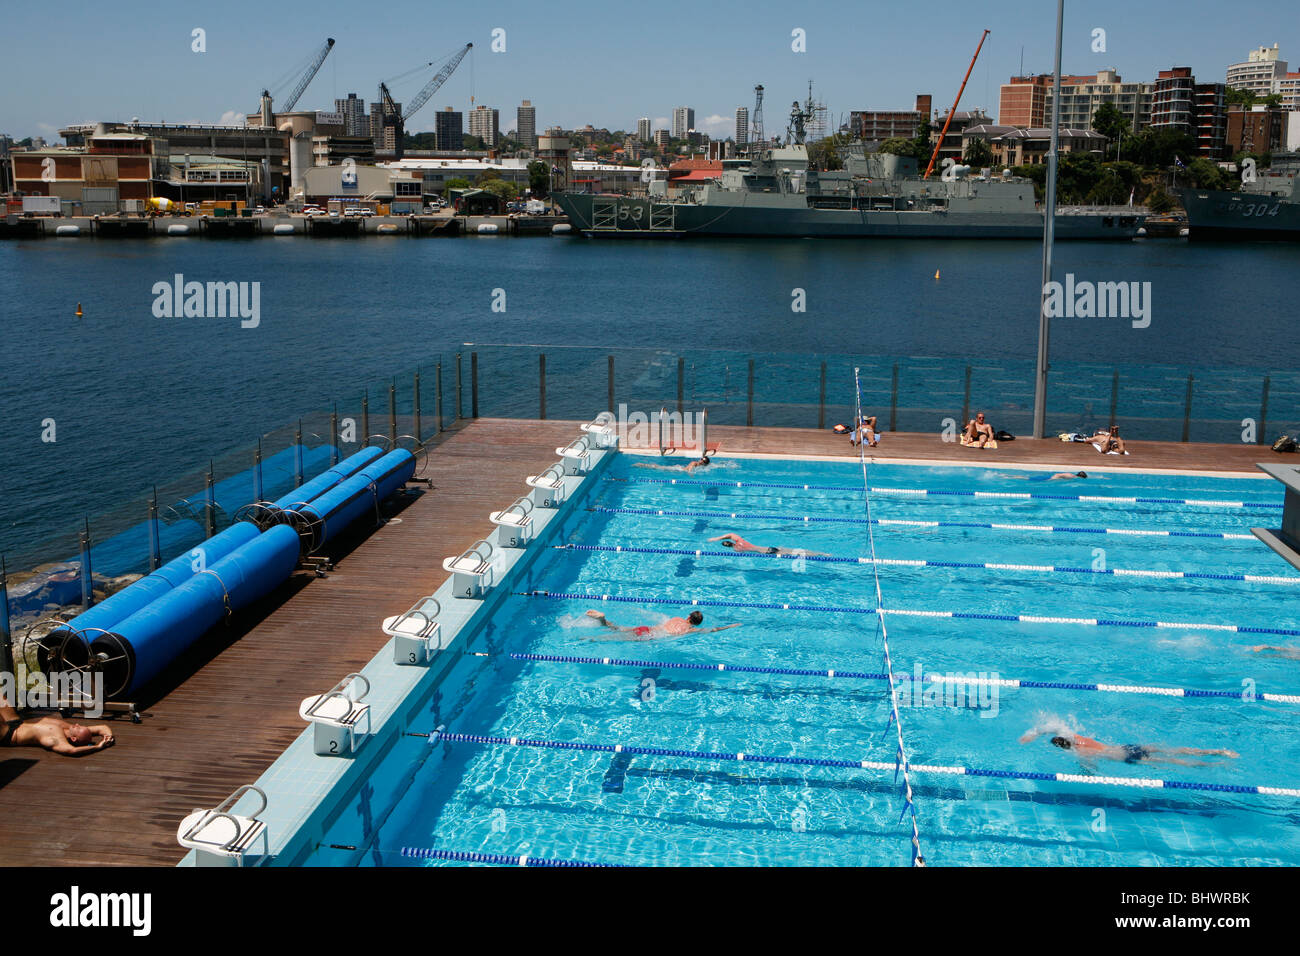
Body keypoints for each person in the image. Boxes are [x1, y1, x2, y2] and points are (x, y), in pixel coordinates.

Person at [1020, 727, 1236, 767]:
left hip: (1125, 757)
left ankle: (1215, 765)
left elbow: (1090, 767)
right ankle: (1219, 751)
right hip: (1127, 746)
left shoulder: (1081, 751)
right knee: (1172, 750)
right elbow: (1056, 728)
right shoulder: (1079, 738)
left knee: (1172, 762)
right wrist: (1037, 733)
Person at [1, 694, 115, 757]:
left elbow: (72, 751)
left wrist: (98, 747)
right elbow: (102, 727)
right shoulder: (68, 728)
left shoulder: (57, 740)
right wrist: (108, 737)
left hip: (8, 734)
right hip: (17, 722)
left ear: (74, 738)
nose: (77, 724)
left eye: (78, 728)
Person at [584, 608, 741, 640]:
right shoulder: (689, 630)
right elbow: (713, 630)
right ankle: (587, 639)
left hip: (646, 628)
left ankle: (603, 620)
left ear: (688, 616)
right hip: (649, 636)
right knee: (611, 638)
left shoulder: (675, 618)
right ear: (696, 624)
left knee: (616, 628)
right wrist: (730, 626)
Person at [708, 533, 828, 557]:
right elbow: (731, 534)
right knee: (795, 551)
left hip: (766, 552)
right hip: (768, 548)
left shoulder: (737, 549)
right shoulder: (740, 541)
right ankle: (821, 553)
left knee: (796, 553)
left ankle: (821, 554)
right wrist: (717, 538)